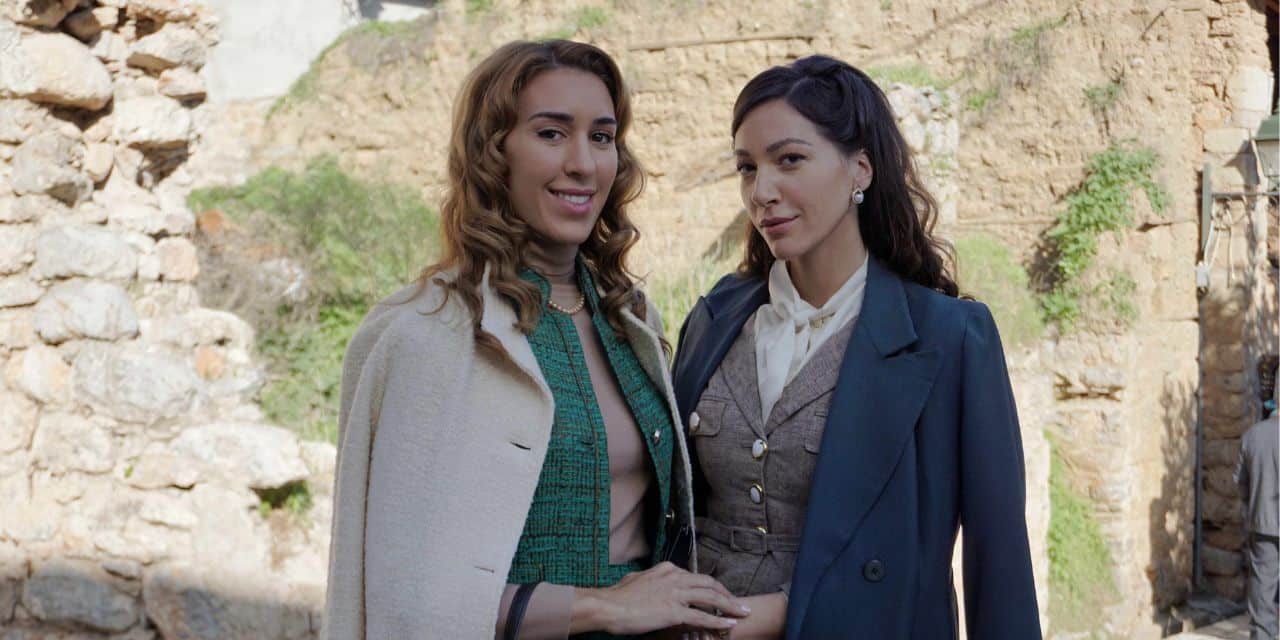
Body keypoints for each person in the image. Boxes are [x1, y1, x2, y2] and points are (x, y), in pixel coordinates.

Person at [323, 40, 748, 639]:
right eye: (551, 134)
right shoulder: (428, 333)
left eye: (601, 137)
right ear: (493, 152)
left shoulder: (630, 319)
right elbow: (405, 599)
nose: (583, 163)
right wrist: (603, 606)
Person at [671, 55, 1041, 639]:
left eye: (790, 160)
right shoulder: (715, 317)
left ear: (860, 170)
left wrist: (779, 613)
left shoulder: (950, 338)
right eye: (747, 168)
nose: (761, 191)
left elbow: (1000, 569)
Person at [1236, 368, 1279, 640]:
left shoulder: (1252, 436)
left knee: (1262, 588)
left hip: (1262, 522)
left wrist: (1254, 505)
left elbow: (1241, 482)